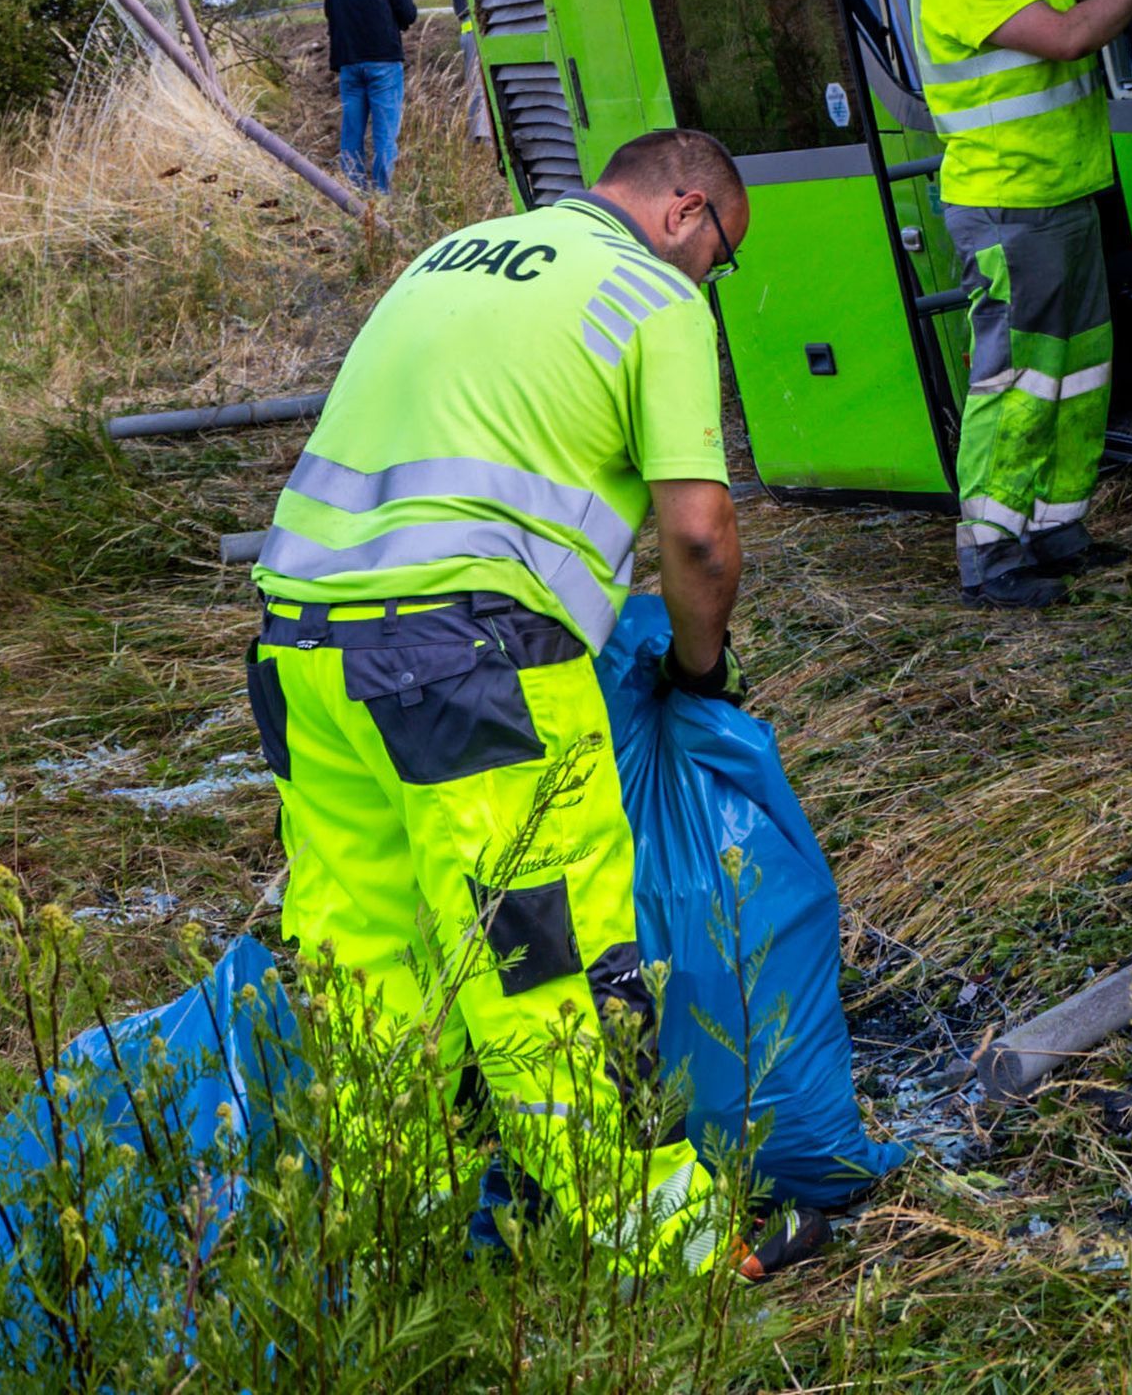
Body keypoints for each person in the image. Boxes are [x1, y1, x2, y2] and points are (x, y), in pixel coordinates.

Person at [246, 123, 759, 1276]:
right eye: (720, 254)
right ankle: (666, 1256)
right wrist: (698, 668)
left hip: (299, 651)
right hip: (464, 668)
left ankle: (402, 1247)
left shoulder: (457, 251)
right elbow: (696, 533)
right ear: (687, 211)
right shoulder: (653, 297)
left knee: (367, 960)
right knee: (546, 954)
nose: (709, 278)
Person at [909, 0, 1132, 610]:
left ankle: (1055, 529)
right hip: (1009, 210)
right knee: (1015, 381)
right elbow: (1070, 34)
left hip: (1058, 201)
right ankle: (990, 554)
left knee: (1077, 376)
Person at [321, 0, 423, 193]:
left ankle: (353, 189)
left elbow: (332, 21)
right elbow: (408, 14)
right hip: (383, 62)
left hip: (348, 64)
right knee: (385, 132)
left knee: (352, 130)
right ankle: (382, 191)